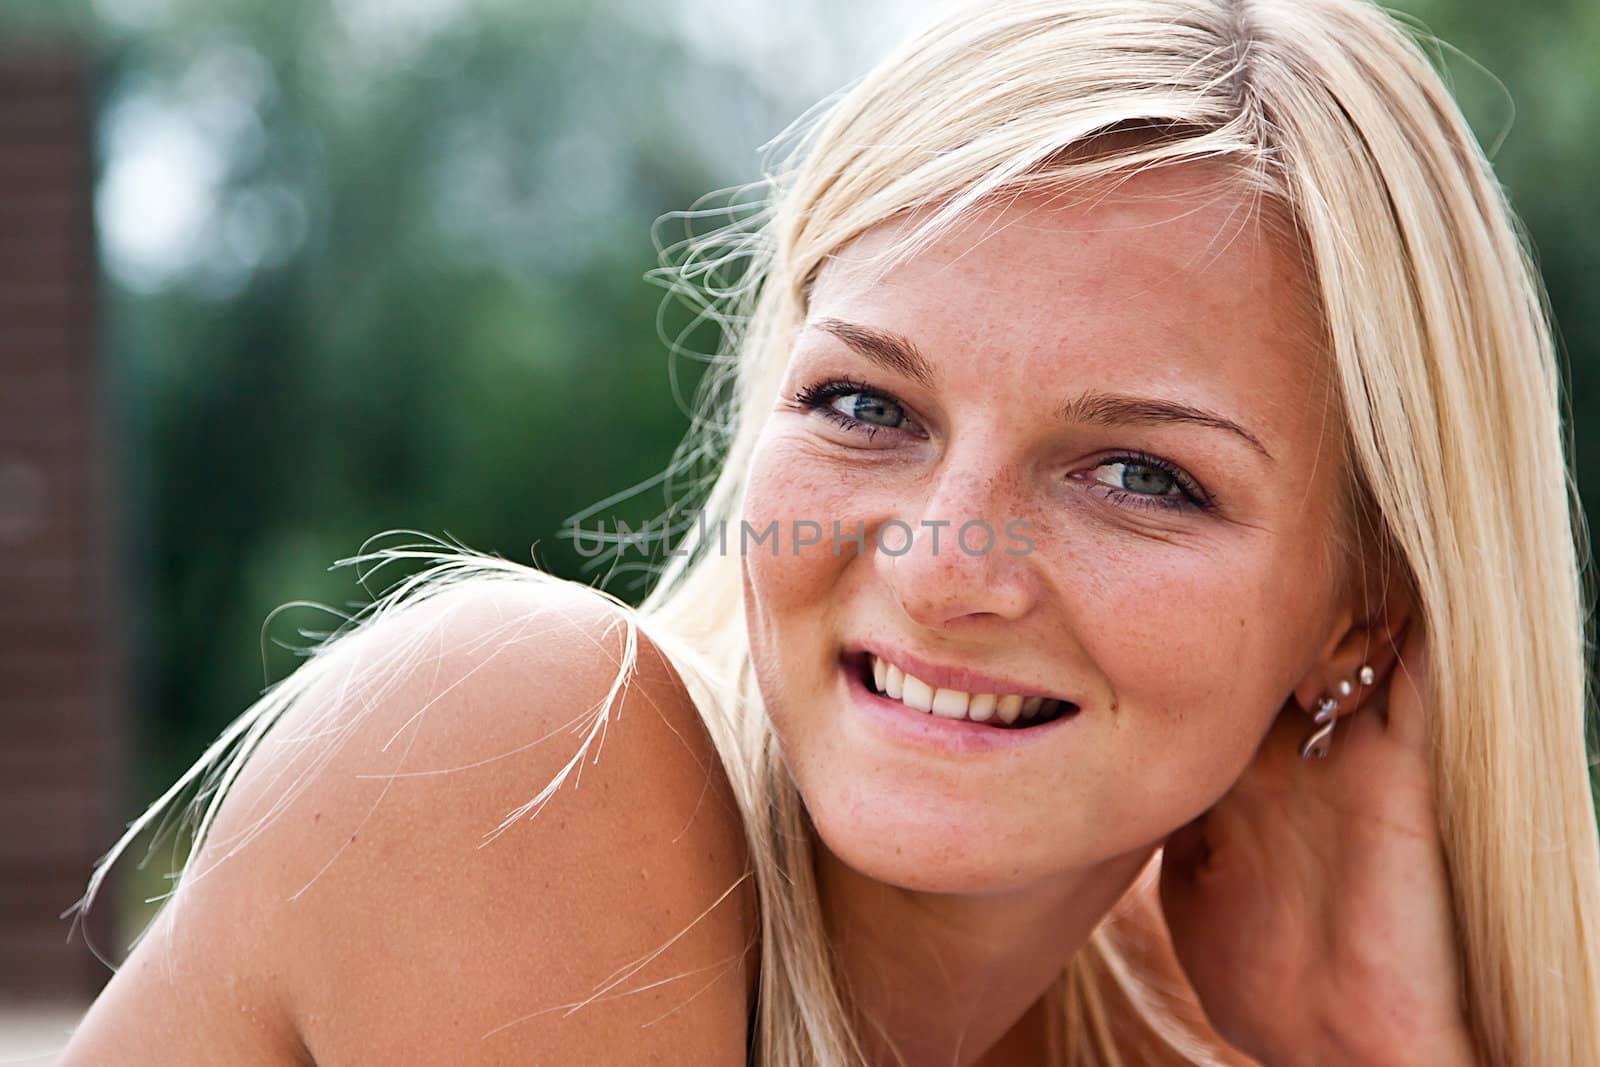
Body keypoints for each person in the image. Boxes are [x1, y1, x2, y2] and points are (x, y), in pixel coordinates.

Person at [59, 0, 1600, 1063]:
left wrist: (1378, 1047)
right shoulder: (517, 765)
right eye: (870, 407)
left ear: (1361, 614)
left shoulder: (1171, 1035)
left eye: (1141, 475)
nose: (945, 566)